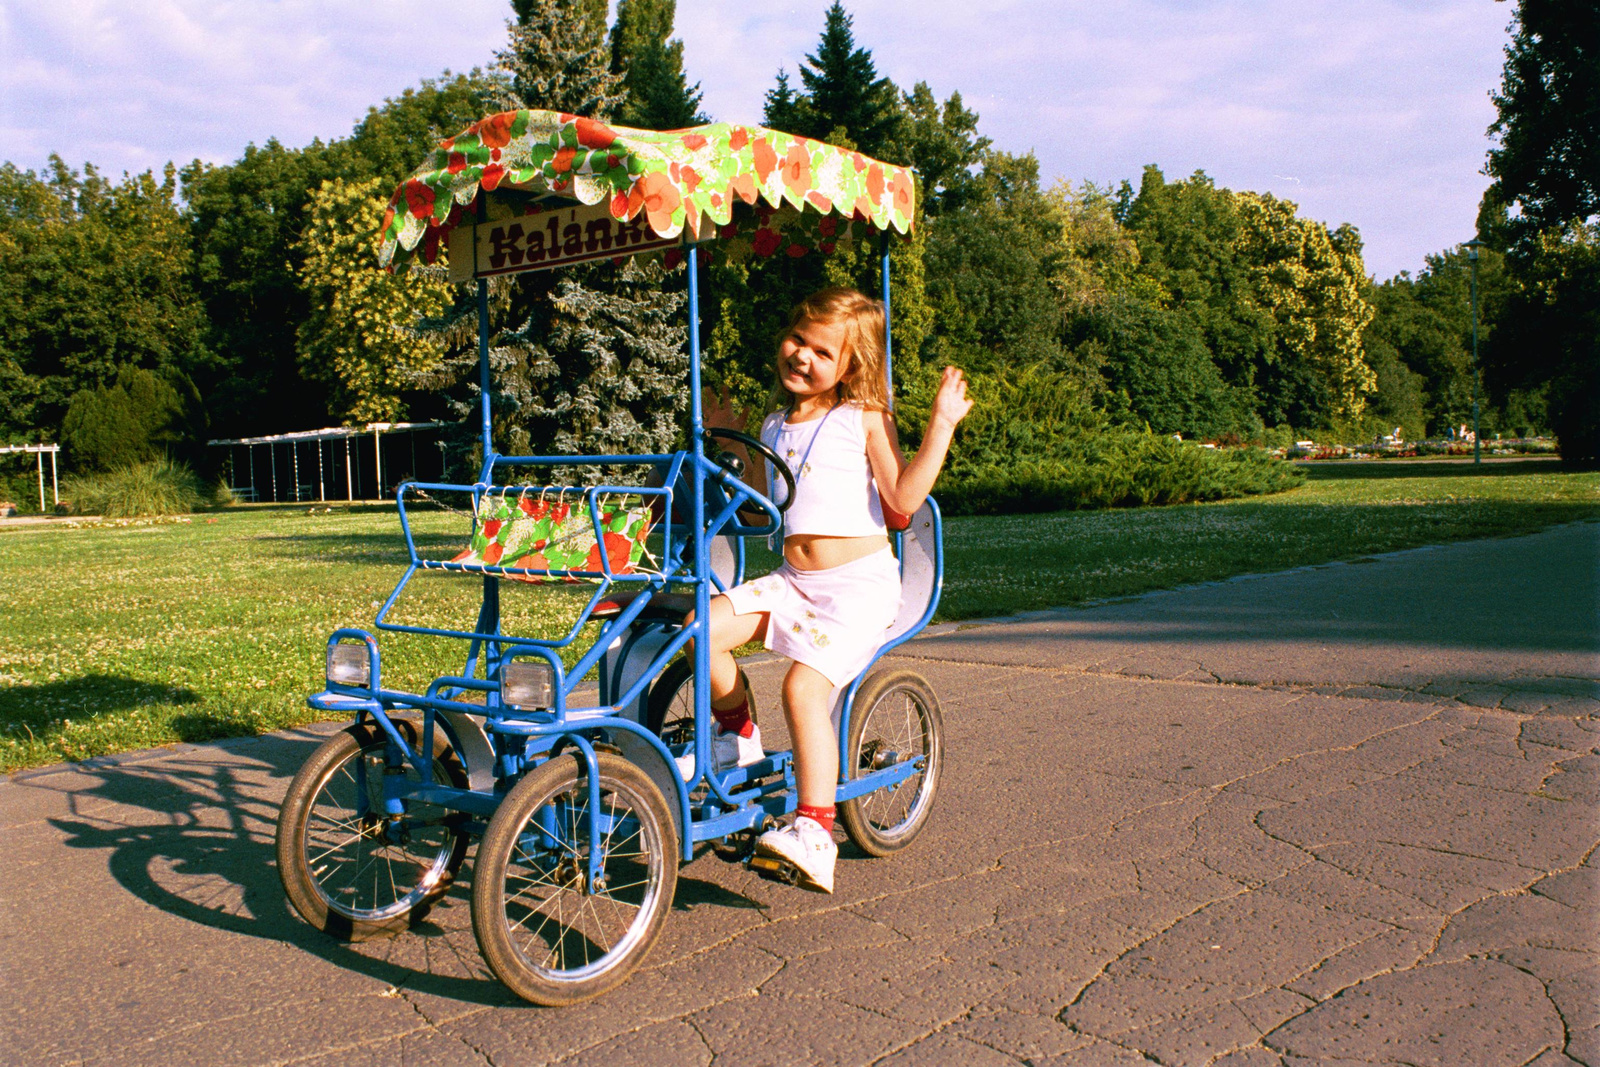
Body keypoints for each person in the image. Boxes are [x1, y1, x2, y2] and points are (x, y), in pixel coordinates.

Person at [680, 286, 972, 893]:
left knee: (803, 688)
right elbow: (763, 509)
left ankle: (815, 832)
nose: (803, 356)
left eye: (822, 350)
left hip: (855, 588)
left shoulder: (863, 417)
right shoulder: (773, 422)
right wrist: (730, 436)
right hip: (794, 580)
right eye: (797, 340)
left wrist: (940, 425)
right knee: (698, 629)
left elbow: (902, 503)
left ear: (849, 364)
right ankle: (738, 737)